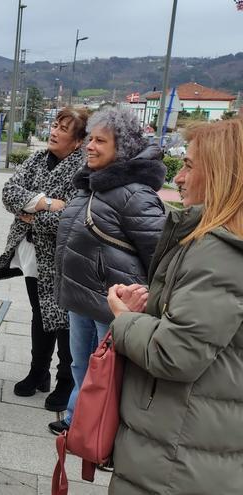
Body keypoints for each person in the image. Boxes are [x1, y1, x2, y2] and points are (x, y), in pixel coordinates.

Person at [106, 117, 243, 494]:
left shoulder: (218, 252)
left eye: (188, 165)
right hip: (193, 443)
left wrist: (125, 319)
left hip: (177, 457)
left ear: (222, 174)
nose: (178, 178)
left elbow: (175, 352)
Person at [49, 106, 166, 435]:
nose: (89, 146)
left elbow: (160, 256)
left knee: (108, 370)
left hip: (112, 305)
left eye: (100, 140)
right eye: (89, 138)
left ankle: (105, 429)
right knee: (81, 364)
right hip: (82, 298)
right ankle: (77, 419)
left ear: (122, 148)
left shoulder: (135, 195)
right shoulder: (91, 185)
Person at [0, 108, 89, 411]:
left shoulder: (84, 169)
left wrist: (33, 215)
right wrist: (46, 203)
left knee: (63, 319)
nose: (54, 131)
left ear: (77, 141)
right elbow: (9, 192)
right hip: (32, 254)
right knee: (39, 310)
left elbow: (72, 216)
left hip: (62, 256)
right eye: (55, 125)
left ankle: (66, 380)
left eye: (63, 128)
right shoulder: (37, 160)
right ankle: (39, 372)